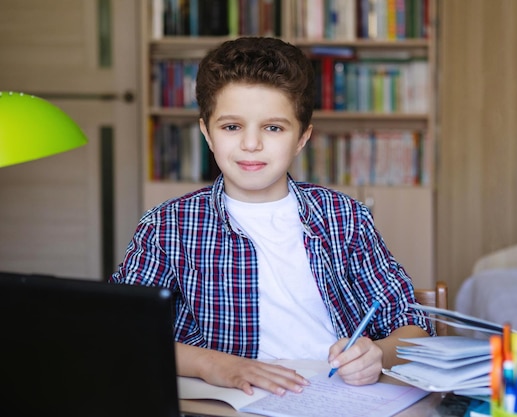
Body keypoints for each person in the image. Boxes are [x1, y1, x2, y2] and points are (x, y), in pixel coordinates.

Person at [110, 36, 433, 397]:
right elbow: (123, 331)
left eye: (273, 128)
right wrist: (215, 364)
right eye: (232, 127)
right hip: (228, 406)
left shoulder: (345, 218)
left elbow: (414, 324)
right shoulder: (167, 226)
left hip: (341, 399)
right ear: (207, 133)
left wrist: (378, 354)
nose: (251, 144)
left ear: (301, 138)